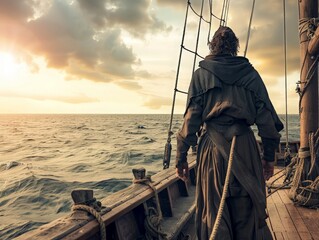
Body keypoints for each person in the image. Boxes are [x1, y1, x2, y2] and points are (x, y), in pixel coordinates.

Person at [175, 26, 283, 240]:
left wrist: (180, 158)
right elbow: (267, 123)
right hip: (244, 147)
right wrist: (269, 158)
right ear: (235, 48)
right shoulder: (251, 75)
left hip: (212, 151)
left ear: (212, 46)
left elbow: (191, 121)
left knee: (214, 213)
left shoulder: (201, 75)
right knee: (247, 214)